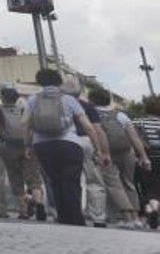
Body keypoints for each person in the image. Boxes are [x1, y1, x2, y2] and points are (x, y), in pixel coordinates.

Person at [26, 68, 100, 226]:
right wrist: (97, 147)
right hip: (69, 143)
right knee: (71, 182)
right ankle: (75, 219)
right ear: (59, 81)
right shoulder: (69, 99)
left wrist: (28, 146)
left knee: (55, 181)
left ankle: (63, 217)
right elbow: (88, 126)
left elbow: (26, 125)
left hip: (42, 145)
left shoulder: (32, 100)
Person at [64, 77, 131, 227]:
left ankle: (71, 213)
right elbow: (97, 130)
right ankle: (98, 217)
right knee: (94, 180)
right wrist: (102, 152)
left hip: (66, 142)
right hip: (87, 141)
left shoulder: (61, 104)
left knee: (69, 180)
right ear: (80, 91)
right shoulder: (87, 106)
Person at [90, 86, 150, 227]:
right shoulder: (120, 114)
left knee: (114, 185)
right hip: (127, 152)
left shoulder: (93, 114)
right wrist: (143, 156)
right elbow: (133, 136)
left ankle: (126, 218)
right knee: (129, 184)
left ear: (92, 100)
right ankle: (136, 218)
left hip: (106, 153)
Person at [0, 84, 46, 220]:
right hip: (28, 146)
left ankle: (23, 212)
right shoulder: (24, 109)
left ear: (3, 98)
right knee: (34, 178)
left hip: (9, 147)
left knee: (15, 178)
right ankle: (40, 204)